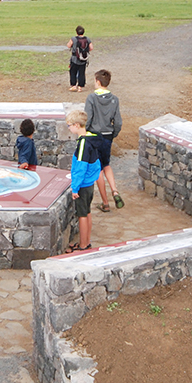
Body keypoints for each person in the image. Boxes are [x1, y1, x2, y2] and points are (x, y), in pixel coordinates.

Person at [84, 69, 124, 211]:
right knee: (106, 165)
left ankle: (105, 203)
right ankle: (115, 191)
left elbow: (87, 118)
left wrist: (85, 132)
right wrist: (114, 134)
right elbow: (118, 122)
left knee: (97, 169)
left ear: (98, 81)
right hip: (107, 136)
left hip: (94, 136)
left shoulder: (92, 98)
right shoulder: (114, 99)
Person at [65, 109, 101, 252]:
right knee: (87, 212)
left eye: (69, 125)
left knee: (82, 215)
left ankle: (83, 245)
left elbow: (80, 168)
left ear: (76, 125)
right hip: (90, 182)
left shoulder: (82, 145)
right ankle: (86, 240)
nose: (69, 128)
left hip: (83, 185)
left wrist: (75, 188)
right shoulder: (91, 139)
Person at [66, 25, 92, 92]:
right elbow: (91, 48)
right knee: (82, 73)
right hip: (83, 58)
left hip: (75, 58)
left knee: (73, 72)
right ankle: (80, 87)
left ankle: (74, 85)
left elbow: (68, 45)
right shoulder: (87, 39)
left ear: (76, 32)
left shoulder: (74, 39)